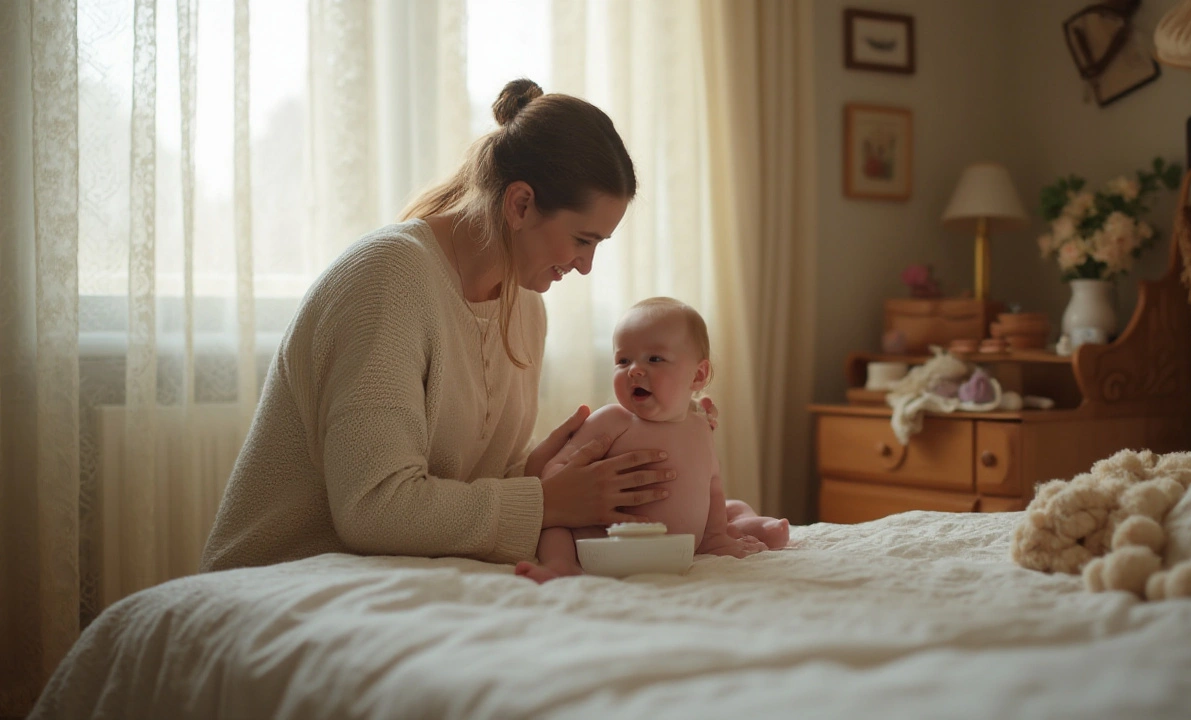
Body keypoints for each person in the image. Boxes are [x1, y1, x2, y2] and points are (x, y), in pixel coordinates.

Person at [200, 79, 677, 572]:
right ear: (519, 204)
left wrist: (564, 470)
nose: (586, 266)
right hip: (285, 577)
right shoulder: (386, 278)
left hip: (397, 576)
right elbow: (374, 508)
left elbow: (474, 482)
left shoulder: (525, 307)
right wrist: (545, 501)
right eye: (583, 240)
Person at [515, 297, 790, 583]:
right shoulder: (612, 420)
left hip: (679, 549)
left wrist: (716, 537)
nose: (634, 369)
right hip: (603, 541)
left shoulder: (700, 428)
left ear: (697, 375)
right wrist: (564, 483)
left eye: (654, 359)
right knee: (555, 525)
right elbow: (557, 470)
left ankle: (752, 527)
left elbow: (712, 488)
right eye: (623, 360)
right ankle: (560, 565)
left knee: (729, 507)